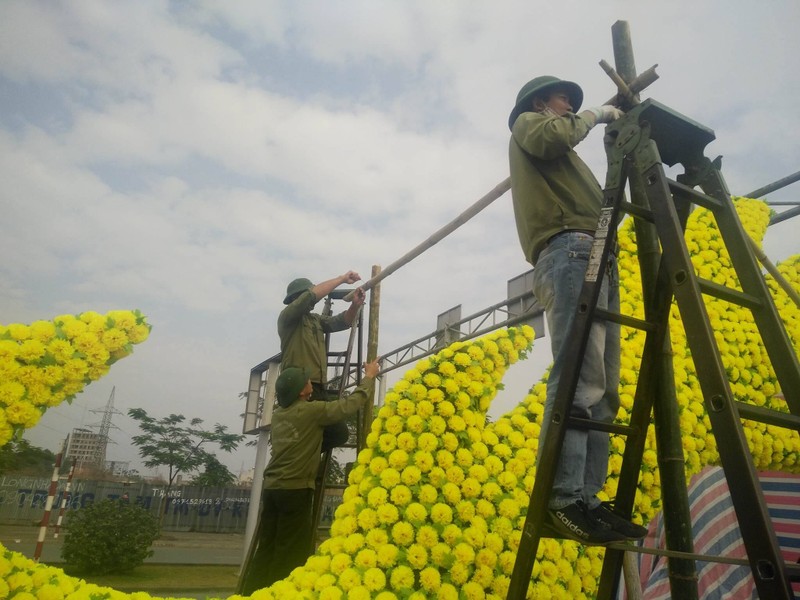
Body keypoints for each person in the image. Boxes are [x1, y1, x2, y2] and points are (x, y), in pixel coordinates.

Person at [508, 75, 647, 544]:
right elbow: (556, 134)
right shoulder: (531, 126)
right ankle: (562, 497)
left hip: (596, 253)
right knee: (578, 378)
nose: (571, 105)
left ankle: (586, 496)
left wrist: (613, 137)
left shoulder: (567, 160)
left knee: (602, 387)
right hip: (570, 250)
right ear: (540, 102)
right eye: (564, 98)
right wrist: (595, 115)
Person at [240, 357, 381, 592]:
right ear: (301, 392)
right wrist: (368, 377)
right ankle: (283, 594)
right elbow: (346, 406)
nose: (310, 381)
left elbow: (303, 438)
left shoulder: (279, 415)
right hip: (295, 491)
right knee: (290, 553)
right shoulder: (311, 412)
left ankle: (250, 594)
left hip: (273, 489)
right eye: (306, 381)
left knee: (266, 548)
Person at [278, 271, 366, 451]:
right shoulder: (287, 317)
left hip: (317, 387)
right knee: (319, 433)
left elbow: (341, 322)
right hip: (299, 387)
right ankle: (299, 460)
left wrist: (355, 306)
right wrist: (342, 279)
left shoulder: (314, 320)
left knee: (338, 434)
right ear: (298, 298)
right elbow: (312, 295)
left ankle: (305, 459)